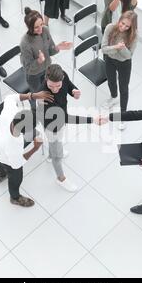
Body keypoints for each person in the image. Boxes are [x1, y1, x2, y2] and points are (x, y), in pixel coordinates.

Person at [38, 64, 95, 192]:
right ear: (46, 79)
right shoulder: (43, 97)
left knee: (57, 145)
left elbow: (68, 85)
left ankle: (50, 155)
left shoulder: (62, 75)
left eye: (58, 85)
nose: (55, 89)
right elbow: (65, 118)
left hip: (60, 117)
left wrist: (73, 91)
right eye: (51, 85)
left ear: (62, 77)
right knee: (57, 155)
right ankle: (61, 178)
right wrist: (91, 120)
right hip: (52, 126)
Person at [0, 91, 54, 207]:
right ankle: (15, 197)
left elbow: (10, 97)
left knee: (2, 162)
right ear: (24, 132)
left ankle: (1, 175)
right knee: (16, 177)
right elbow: (17, 164)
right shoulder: (13, 144)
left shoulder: (10, 112)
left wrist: (32, 96)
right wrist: (35, 148)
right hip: (7, 158)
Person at [20, 7, 72, 107]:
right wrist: (39, 61)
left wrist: (57, 47)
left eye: (41, 24)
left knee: (48, 94)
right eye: (36, 27)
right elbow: (28, 68)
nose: (40, 29)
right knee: (37, 97)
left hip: (47, 70)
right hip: (34, 75)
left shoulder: (45, 30)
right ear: (29, 27)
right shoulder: (25, 43)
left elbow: (51, 51)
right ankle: (35, 111)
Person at [101, 10, 138, 130]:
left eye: (127, 26)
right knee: (111, 80)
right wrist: (117, 47)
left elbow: (128, 56)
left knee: (124, 88)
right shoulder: (110, 28)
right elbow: (104, 49)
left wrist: (122, 49)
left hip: (124, 64)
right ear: (119, 20)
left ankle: (123, 115)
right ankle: (113, 97)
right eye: (122, 23)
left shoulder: (134, 35)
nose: (123, 27)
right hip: (110, 60)